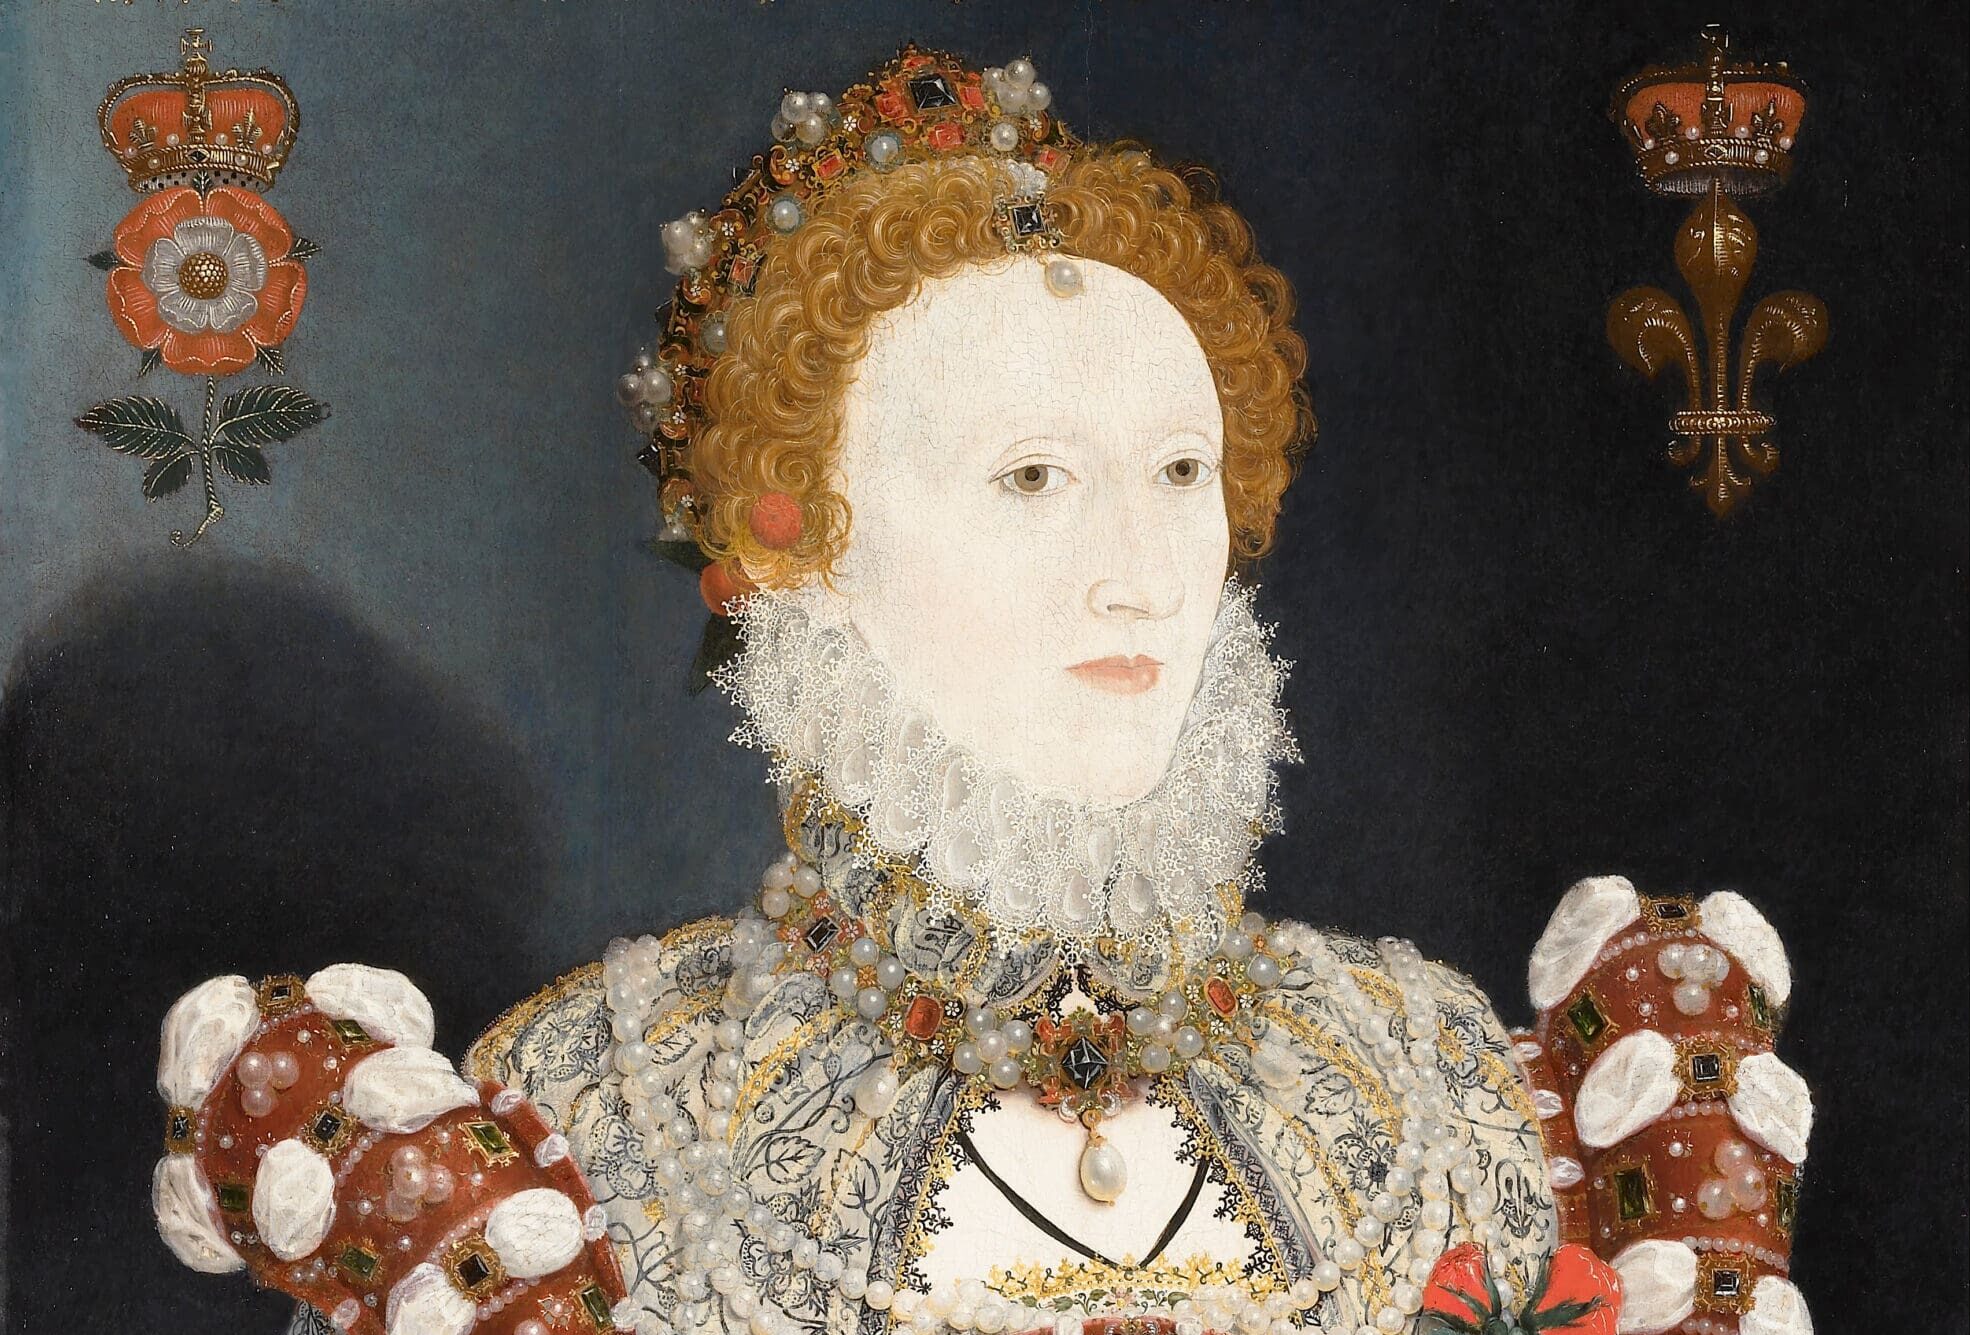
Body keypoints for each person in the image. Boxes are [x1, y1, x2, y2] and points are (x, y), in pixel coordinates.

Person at [151, 47, 1814, 1335]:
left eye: (1180, 473)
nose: (1139, 570)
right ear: (797, 549)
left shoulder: (1442, 1077)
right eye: (1031, 478)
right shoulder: (590, 1105)